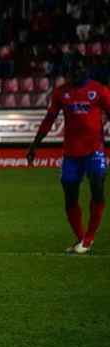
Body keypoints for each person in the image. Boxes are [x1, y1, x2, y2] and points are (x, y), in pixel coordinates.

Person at [27, 56, 109, 253]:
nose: (76, 73)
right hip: (71, 154)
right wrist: (34, 146)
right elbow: (49, 119)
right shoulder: (61, 93)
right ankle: (81, 238)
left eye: (79, 69)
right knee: (70, 197)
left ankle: (89, 238)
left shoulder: (99, 91)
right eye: (72, 71)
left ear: (85, 69)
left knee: (97, 188)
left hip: (94, 150)